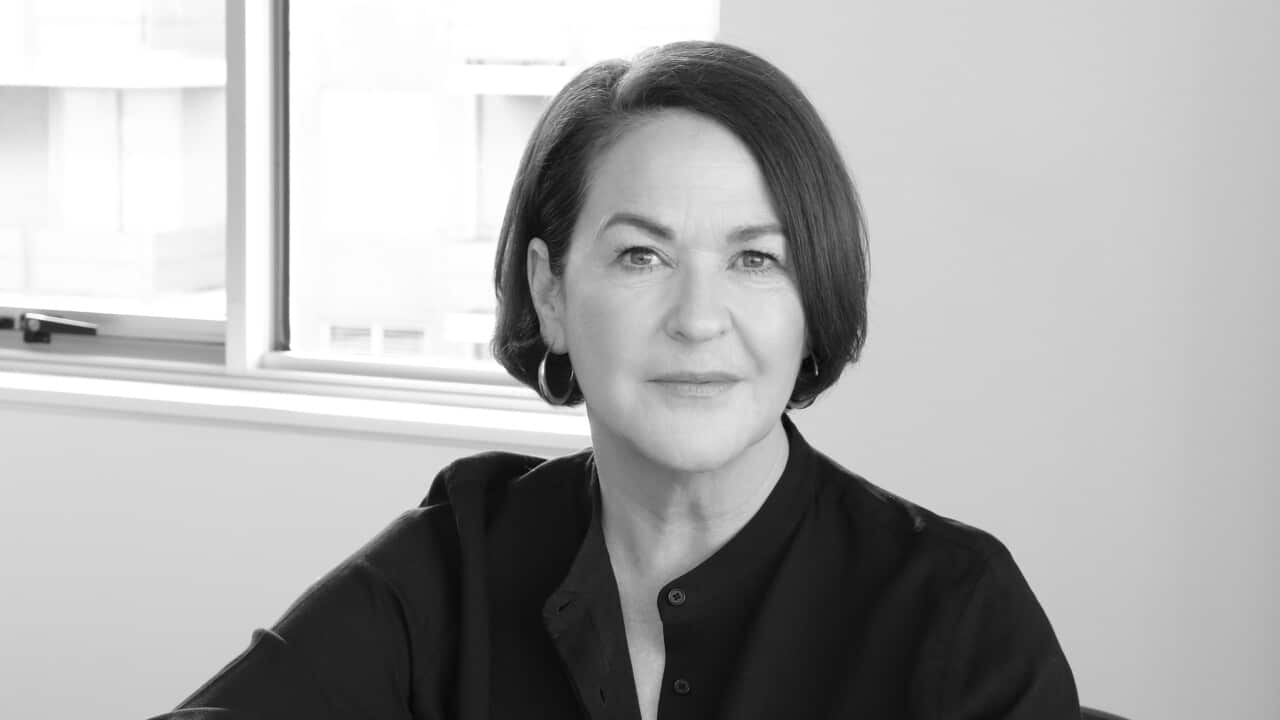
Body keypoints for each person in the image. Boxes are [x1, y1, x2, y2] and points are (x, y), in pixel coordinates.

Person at [150, 41, 1081, 720]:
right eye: (642, 256)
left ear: (813, 301)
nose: (699, 318)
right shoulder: (457, 556)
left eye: (756, 260)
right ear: (551, 293)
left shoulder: (954, 607)